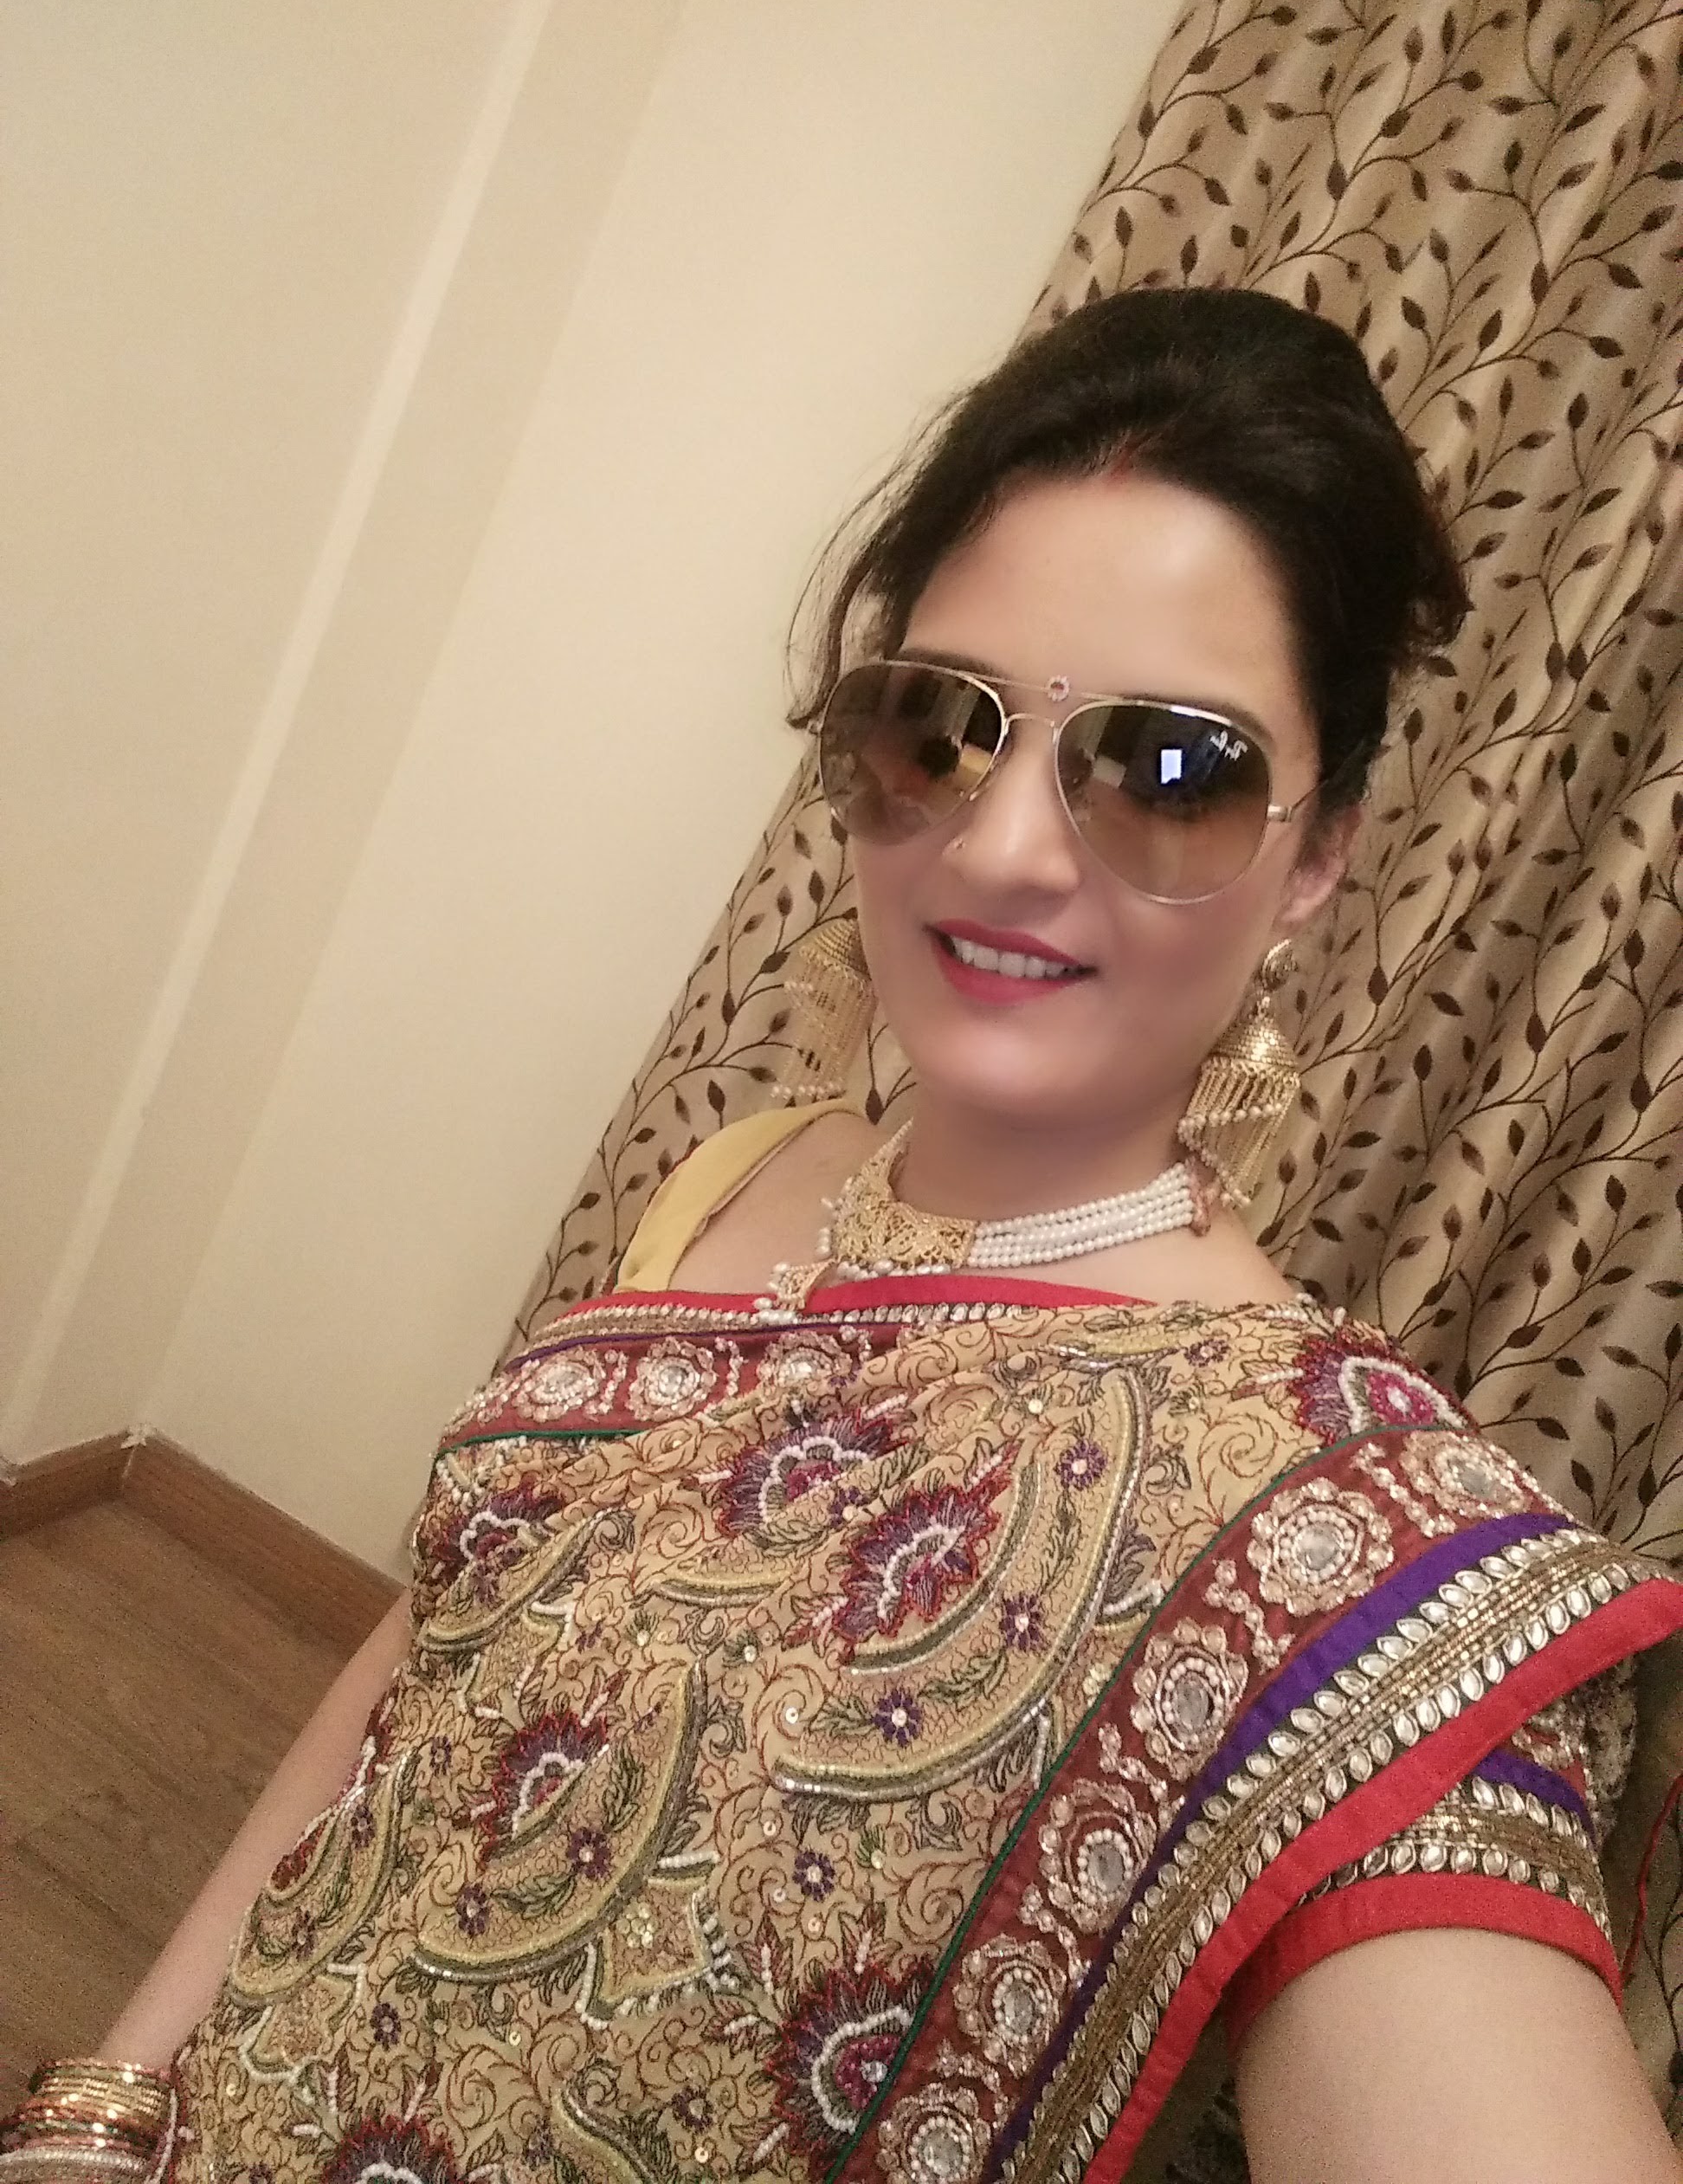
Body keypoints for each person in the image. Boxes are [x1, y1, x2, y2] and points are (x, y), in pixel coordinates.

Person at [8, 288, 1680, 2184]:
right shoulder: (756, 1172)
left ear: (1316, 858)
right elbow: (434, 1654)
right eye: (937, 729)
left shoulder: (1322, 1550)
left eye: (1169, 770)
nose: (1002, 849)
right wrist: (103, 2108)